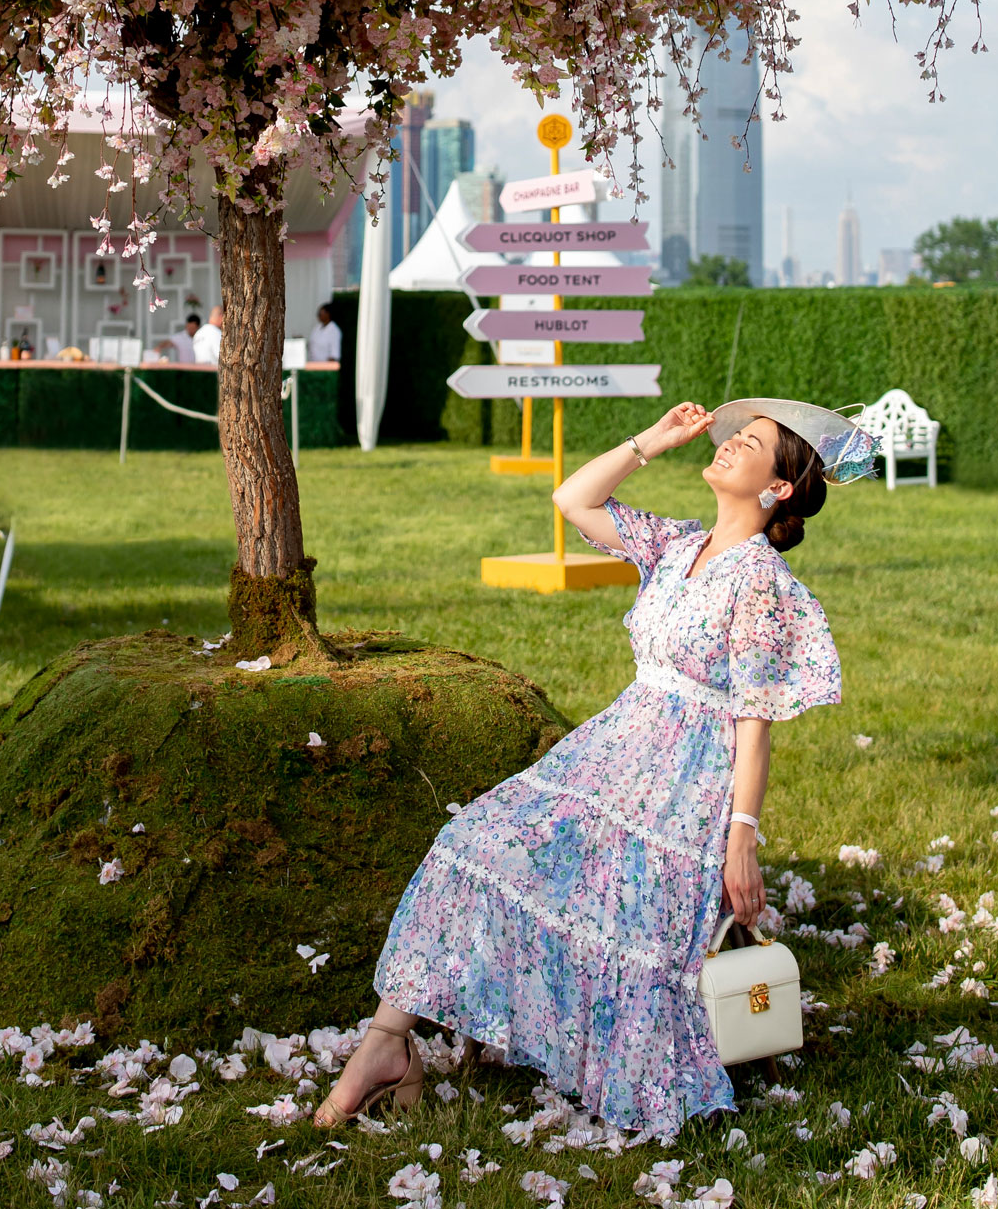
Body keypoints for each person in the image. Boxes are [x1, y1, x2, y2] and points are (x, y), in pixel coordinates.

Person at [314, 395, 877, 1138]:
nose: (732, 444)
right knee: (470, 846)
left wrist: (741, 834)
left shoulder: (760, 582)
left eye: (753, 443)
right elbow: (573, 499)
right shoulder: (676, 543)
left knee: (624, 918)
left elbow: (753, 717)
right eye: (736, 434)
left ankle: (398, 1055)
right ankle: (387, 1045)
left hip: (682, 784)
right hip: (609, 755)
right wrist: (656, 439)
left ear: (776, 489)